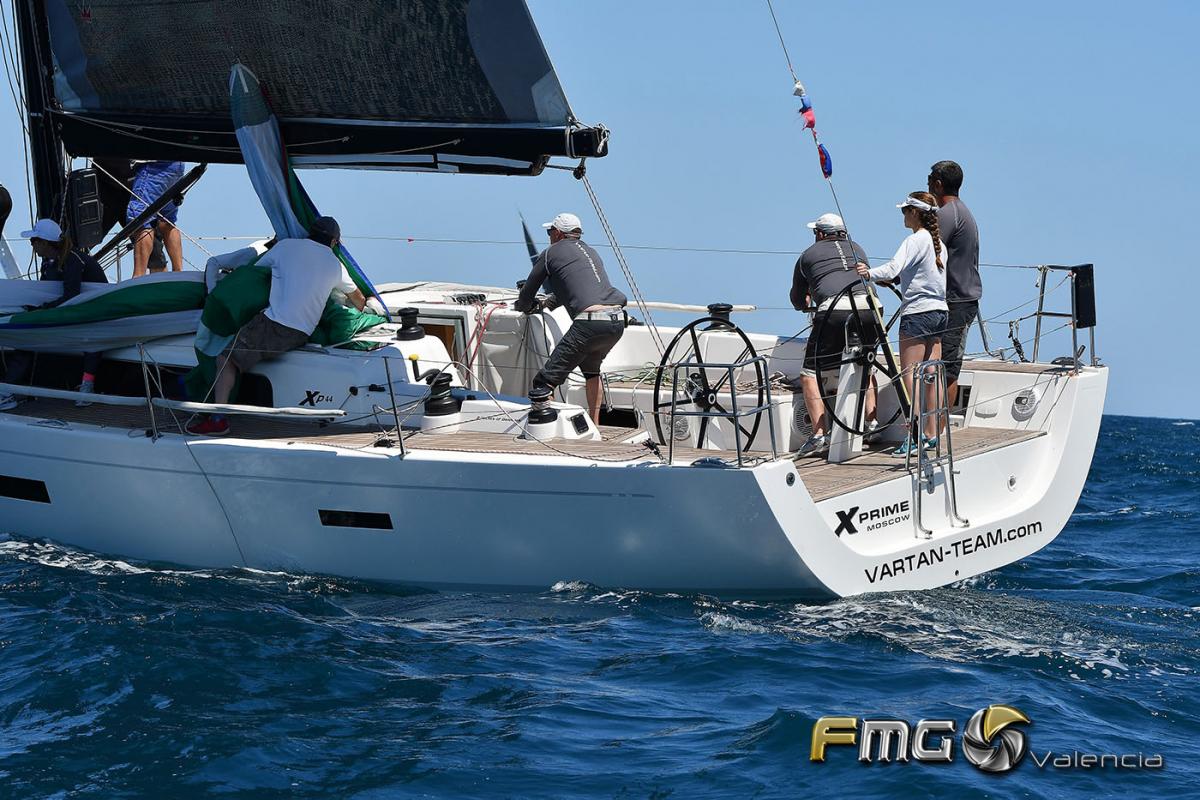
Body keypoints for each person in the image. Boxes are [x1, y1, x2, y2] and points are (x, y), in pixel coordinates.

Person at [185, 216, 348, 436]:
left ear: (309, 233)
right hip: (303, 332)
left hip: (274, 325)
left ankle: (218, 419)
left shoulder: (287, 246)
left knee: (226, 358)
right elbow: (357, 298)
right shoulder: (336, 265)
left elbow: (256, 272)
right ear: (334, 242)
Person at [855, 193, 947, 456]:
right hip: (940, 313)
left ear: (915, 213)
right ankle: (932, 433)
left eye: (905, 211)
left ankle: (913, 436)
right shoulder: (938, 243)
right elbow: (924, 276)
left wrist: (868, 273)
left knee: (911, 376)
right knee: (931, 375)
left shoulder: (915, 240)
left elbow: (894, 266)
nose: (903, 216)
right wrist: (896, 281)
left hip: (917, 314)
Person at [513, 212, 627, 424]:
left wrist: (525, 306)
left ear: (557, 233)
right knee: (591, 371)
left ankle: (549, 431)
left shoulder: (549, 253)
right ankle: (595, 427)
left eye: (549, 232)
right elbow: (577, 288)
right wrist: (549, 303)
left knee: (544, 382)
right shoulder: (590, 252)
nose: (548, 236)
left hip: (590, 325)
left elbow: (527, 293)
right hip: (616, 321)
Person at [790, 213, 880, 457]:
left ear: (819, 234)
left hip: (834, 310)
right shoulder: (858, 248)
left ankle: (819, 435)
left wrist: (808, 301)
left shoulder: (807, 255)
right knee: (867, 364)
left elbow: (797, 299)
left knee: (809, 374)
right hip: (871, 308)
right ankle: (872, 424)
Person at [0, 218, 108, 410]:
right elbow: (45, 293)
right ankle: (7, 391)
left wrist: (42, 310)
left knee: (92, 337)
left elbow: (71, 296)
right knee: (27, 337)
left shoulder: (73, 260)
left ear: (43, 242)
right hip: (67, 313)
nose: (31, 245)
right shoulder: (48, 263)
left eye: (33, 241)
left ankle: (87, 387)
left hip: (94, 313)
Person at [928, 160, 980, 408]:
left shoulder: (946, 215)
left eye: (929, 180)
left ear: (937, 184)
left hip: (957, 302)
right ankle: (934, 427)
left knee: (947, 368)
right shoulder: (961, 211)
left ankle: (938, 430)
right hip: (958, 299)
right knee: (942, 365)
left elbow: (927, 253)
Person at [127, 160, 185, 277]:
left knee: (141, 220)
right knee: (167, 221)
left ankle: (138, 277)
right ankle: (179, 274)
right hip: (177, 165)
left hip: (153, 167)